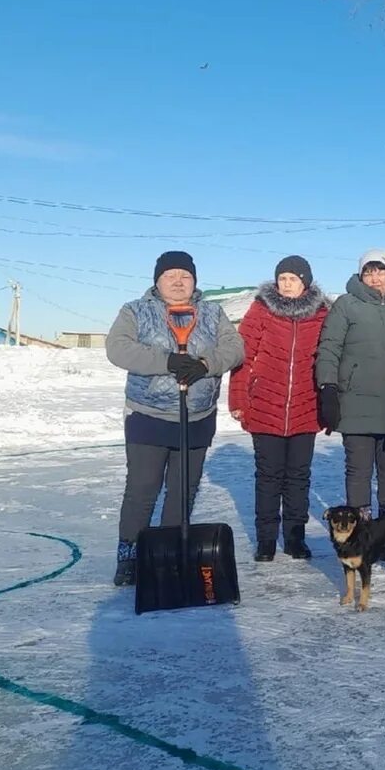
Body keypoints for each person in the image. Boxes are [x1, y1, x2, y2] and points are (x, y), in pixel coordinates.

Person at [106, 250, 245, 587]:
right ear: (157, 280)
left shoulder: (212, 312)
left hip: (197, 416)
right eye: (171, 275)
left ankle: (166, 555)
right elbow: (117, 348)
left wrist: (203, 364)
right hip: (148, 415)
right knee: (142, 489)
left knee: (183, 491)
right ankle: (130, 554)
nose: (179, 281)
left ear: (195, 281)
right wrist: (167, 361)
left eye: (186, 275)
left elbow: (235, 348)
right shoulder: (135, 311)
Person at [228, 255, 330, 562]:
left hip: (306, 406)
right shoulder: (261, 309)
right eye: (282, 279)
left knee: (298, 477)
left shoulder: (323, 314)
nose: (286, 284)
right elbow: (242, 357)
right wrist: (238, 399)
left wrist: (329, 404)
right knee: (268, 476)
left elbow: (330, 359)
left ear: (305, 282)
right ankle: (266, 540)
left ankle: (295, 538)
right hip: (265, 407)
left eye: (293, 279)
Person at [315, 249, 385, 517]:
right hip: (355, 401)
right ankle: (361, 528)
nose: (374, 277)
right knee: (358, 469)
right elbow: (329, 348)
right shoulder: (346, 304)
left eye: (380, 270)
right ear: (361, 276)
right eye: (368, 272)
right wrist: (328, 387)